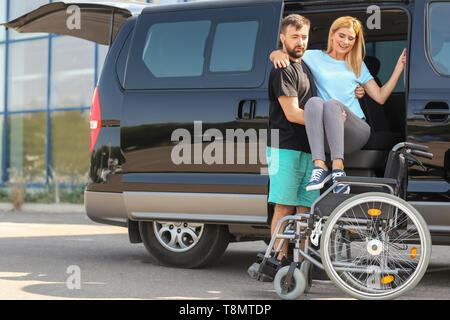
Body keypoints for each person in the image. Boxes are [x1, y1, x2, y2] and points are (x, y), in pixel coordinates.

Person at [248, 14, 365, 281]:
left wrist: (356, 92)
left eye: (303, 37)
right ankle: (275, 261)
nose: (300, 42)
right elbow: (291, 113)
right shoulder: (283, 68)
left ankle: (301, 263)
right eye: (294, 37)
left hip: (308, 149)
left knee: (305, 210)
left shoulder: (306, 67)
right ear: (282, 38)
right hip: (284, 146)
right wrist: (328, 120)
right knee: (283, 207)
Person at [270, 16, 406, 194]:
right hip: (328, 130)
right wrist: (277, 54)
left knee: (333, 104)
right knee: (314, 102)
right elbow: (289, 52)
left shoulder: (357, 65)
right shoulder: (312, 57)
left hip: (354, 130)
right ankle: (320, 167)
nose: (346, 42)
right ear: (332, 34)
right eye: (342, 36)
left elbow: (380, 97)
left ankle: (338, 169)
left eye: (351, 38)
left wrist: (398, 69)